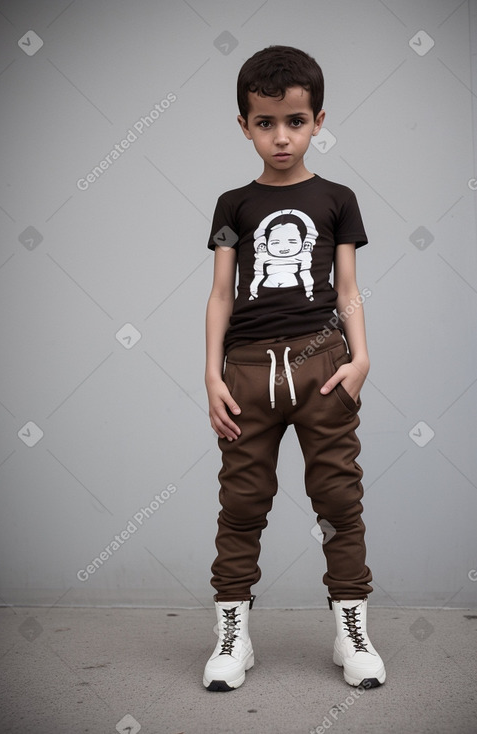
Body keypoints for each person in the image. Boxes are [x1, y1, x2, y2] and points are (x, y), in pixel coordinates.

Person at [203, 45, 386, 692]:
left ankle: (351, 630)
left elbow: (347, 288)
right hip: (248, 370)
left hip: (322, 361)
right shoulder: (232, 205)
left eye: (296, 122)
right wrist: (211, 373)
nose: (281, 137)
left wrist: (361, 356)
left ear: (317, 120)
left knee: (337, 497)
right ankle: (233, 634)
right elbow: (221, 293)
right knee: (242, 501)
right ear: (244, 124)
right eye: (264, 123)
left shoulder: (337, 198)